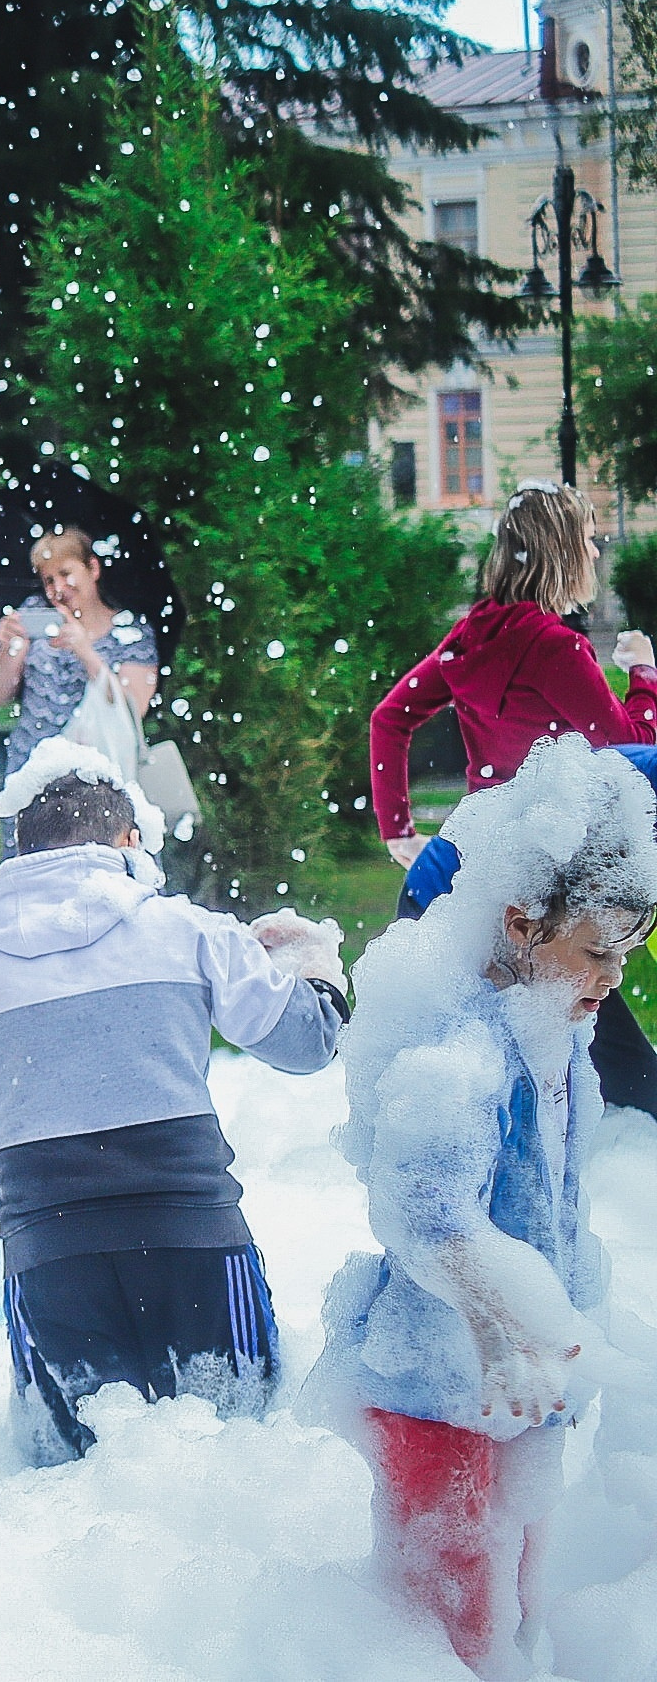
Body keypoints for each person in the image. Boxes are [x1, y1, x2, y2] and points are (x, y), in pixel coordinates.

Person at [0, 741, 350, 1463]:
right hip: (193, 1238)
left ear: (21, 853)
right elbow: (310, 1045)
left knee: (67, 1488)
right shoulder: (190, 932)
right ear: (128, 841)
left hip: (50, 1255)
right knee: (243, 1460)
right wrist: (315, 968)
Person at [312, 735, 654, 1678]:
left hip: (522, 1385)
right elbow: (427, 1216)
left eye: (627, 953)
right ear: (520, 923)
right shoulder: (457, 1053)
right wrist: (499, 1331)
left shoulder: (558, 1031)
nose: (613, 979)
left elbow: (553, 1206)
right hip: (438, 1385)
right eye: (597, 950)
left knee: (517, 1595)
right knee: (447, 1625)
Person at [371, 481, 657, 873]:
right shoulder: (556, 648)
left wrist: (397, 831)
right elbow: (633, 754)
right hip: (562, 858)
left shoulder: (471, 636)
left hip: (487, 853)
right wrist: (644, 672)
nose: (594, 552)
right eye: (588, 540)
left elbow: (389, 716)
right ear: (562, 553)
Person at [398, 744, 657, 1115]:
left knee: (592, 1075)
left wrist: (607, 949)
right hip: (451, 899)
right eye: (604, 954)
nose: (618, 976)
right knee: (492, 1078)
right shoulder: (632, 786)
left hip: (561, 929)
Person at [0, 527, 161, 780]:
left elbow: (132, 711)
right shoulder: (34, 613)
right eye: (49, 580)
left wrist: (86, 652)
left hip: (94, 780)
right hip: (29, 772)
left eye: (66, 574)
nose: (58, 588)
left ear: (93, 568)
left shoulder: (131, 633)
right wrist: (9, 647)